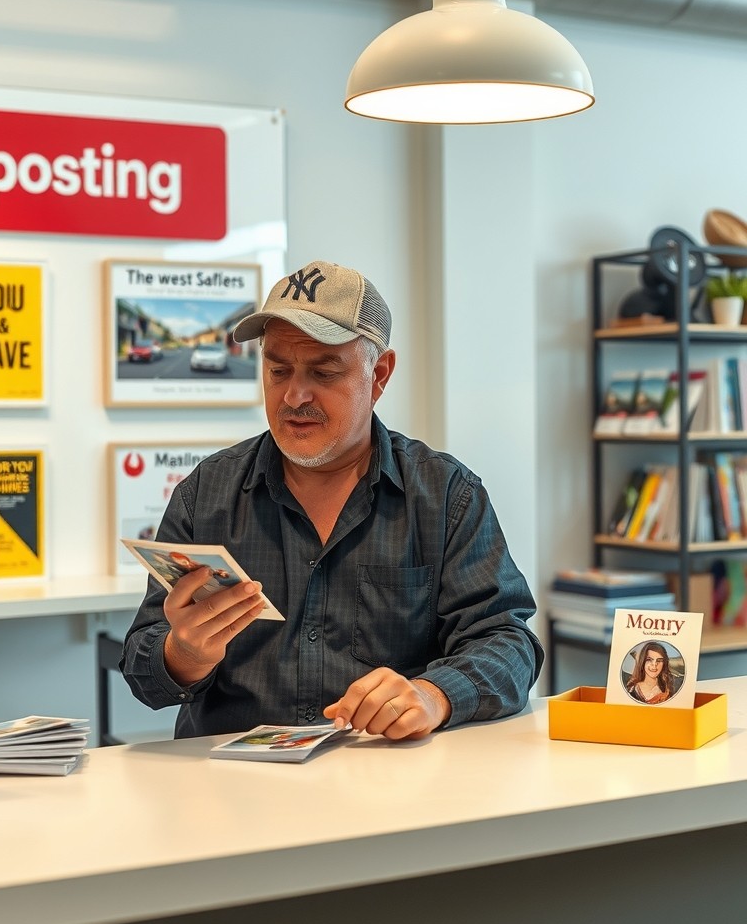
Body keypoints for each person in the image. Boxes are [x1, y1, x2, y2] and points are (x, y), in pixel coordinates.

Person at [121, 259, 543, 740]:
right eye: (278, 370)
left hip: (384, 784)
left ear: (379, 374)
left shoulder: (444, 495)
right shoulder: (206, 494)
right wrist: (184, 655)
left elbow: (509, 644)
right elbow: (143, 670)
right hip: (233, 792)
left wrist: (433, 694)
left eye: (323, 373)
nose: (294, 396)